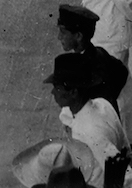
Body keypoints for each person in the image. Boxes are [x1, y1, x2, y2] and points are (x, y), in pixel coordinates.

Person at [44, 53, 129, 188]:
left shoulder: (89, 132)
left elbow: (124, 176)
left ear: (73, 92)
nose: (53, 92)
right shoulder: (103, 104)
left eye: (57, 87)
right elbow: (125, 151)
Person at [56, 4, 128, 113]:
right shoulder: (98, 53)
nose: (59, 37)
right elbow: (121, 71)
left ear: (78, 36)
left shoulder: (92, 68)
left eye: (63, 32)